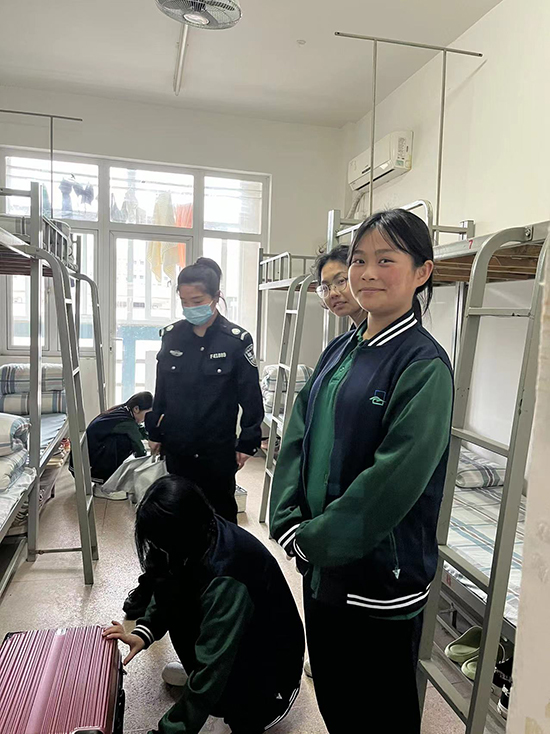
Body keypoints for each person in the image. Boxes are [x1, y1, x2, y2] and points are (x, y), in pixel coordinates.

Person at [269, 209, 454, 734]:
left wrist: (316, 541)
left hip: (379, 576)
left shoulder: (421, 365)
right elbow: (299, 433)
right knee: (336, 697)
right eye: (359, 261)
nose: (367, 273)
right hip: (322, 567)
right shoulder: (343, 348)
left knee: (381, 713)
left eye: (386, 260)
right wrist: (287, 517)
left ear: (422, 272)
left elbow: (391, 482)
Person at [105, 475, 304, 734]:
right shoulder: (196, 530)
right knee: (183, 592)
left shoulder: (227, 574)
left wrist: (170, 730)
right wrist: (144, 632)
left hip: (271, 679)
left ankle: (243, 709)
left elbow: (214, 665)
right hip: (232, 644)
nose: (156, 549)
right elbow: (166, 582)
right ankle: (203, 682)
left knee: (221, 690)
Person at [123, 257, 264, 618]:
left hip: (217, 449)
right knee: (168, 517)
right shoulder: (173, 336)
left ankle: (229, 583)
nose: (190, 308)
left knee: (221, 517)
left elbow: (251, 396)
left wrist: (247, 442)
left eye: (197, 301)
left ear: (216, 297)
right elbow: (162, 389)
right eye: (184, 301)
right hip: (179, 445)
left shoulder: (236, 340)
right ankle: (153, 584)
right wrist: (155, 431)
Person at [74, 391, 153, 487]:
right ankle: (102, 482)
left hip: (84, 458)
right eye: (148, 414)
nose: (148, 418)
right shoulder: (126, 422)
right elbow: (138, 446)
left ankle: (104, 478)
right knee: (126, 442)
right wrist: (148, 464)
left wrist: (153, 437)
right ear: (136, 409)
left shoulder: (124, 411)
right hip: (87, 465)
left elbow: (139, 430)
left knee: (125, 439)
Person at [313, 244, 366, 327]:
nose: (332, 294)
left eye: (341, 281)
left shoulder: (384, 331)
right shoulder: (357, 333)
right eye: (325, 288)